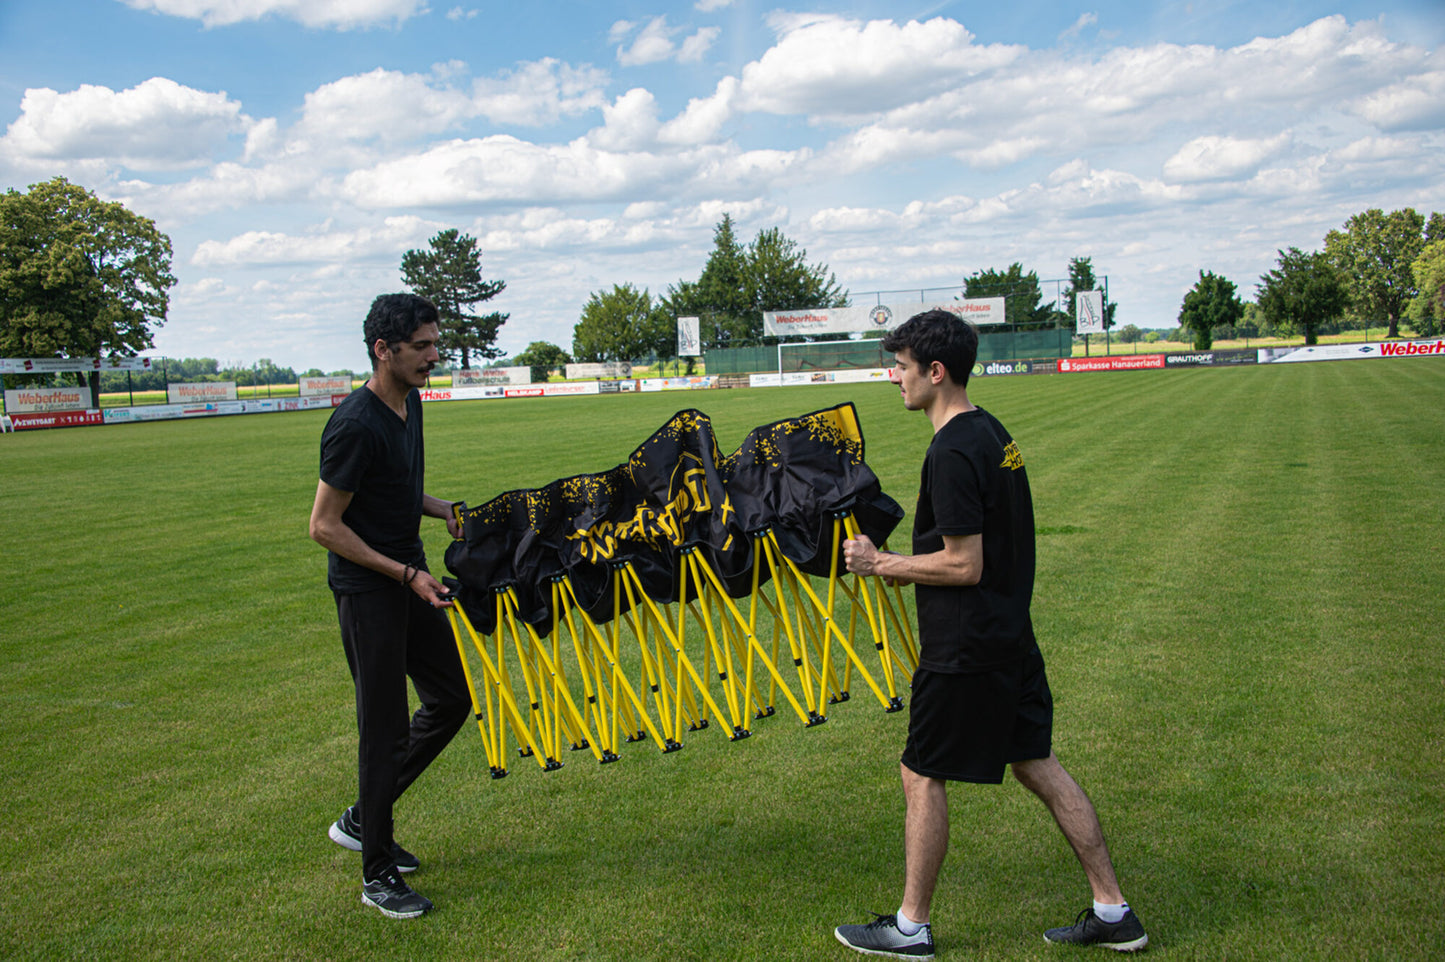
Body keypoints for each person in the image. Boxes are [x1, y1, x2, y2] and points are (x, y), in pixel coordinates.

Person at [833, 310, 1147, 958]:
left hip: (965, 649)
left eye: (901, 367)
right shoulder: (989, 431)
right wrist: (906, 569)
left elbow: (963, 564)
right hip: (1008, 638)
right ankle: (1113, 911)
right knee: (1039, 766)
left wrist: (880, 563)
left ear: (934, 371)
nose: (894, 378)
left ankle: (909, 927)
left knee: (920, 773)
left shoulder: (950, 450)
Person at [308, 293, 471, 920]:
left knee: (451, 699)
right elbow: (325, 526)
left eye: (435, 343)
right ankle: (377, 872)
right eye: (423, 347)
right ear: (385, 350)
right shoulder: (353, 424)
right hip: (370, 590)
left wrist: (441, 509)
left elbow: (395, 490)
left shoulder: (411, 403)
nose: (435, 356)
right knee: (383, 730)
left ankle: (361, 817)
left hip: (410, 577)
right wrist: (405, 573)